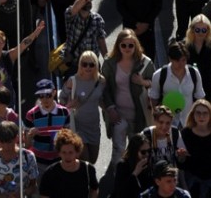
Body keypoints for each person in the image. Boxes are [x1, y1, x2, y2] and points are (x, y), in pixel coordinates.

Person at [101, 29, 154, 157]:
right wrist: (110, 108)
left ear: (135, 45)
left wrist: (143, 82)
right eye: (123, 45)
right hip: (118, 114)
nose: (127, 48)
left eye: (130, 45)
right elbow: (104, 87)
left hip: (138, 114)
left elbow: (155, 83)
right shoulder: (109, 63)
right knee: (118, 149)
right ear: (118, 45)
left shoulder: (145, 63)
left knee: (136, 151)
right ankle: (118, 173)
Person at [177, 100, 211, 198]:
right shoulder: (185, 134)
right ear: (192, 114)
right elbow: (181, 166)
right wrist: (185, 190)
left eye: (205, 113)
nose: (201, 116)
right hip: (191, 182)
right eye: (198, 113)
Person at [0, 121, 39, 197]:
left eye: (9, 142)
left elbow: (33, 185)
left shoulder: (28, 156)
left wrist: (23, 193)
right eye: (2, 142)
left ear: (17, 138)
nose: (6, 146)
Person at [37, 127, 98, 198]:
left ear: (77, 152)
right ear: (59, 153)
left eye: (71, 152)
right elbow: (44, 195)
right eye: (64, 152)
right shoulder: (50, 173)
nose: (67, 156)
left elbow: (94, 189)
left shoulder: (88, 169)